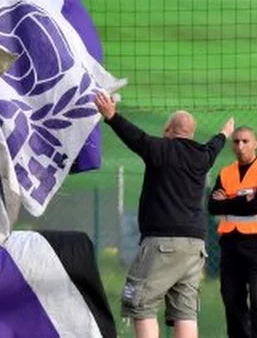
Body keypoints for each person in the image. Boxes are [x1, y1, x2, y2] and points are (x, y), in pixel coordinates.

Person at [95, 92, 232, 338]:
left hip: (162, 243)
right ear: (191, 132)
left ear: (168, 129)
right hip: (195, 247)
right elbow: (215, 145)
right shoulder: (202, 156)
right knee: (185, 313)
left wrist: (112, 116)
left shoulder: (159, 149)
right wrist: (224, 133)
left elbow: (135, 137)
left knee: (142, 304)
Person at [209, 126, 257, 338]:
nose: (240, 146)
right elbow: (212, 206)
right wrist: (242, 200)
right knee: (232, 300)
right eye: (236, 141)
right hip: (230, 243)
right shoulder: (226, 172)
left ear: (255, 143)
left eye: (245, 141)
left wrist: (228, 201)